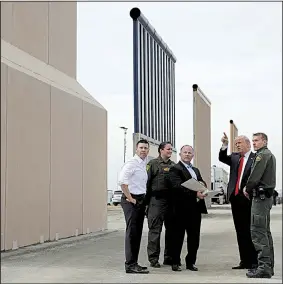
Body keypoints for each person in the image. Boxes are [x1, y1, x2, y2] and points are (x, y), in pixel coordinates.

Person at [218, 133, 257, 270]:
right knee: (240, 231)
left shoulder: (256, 158)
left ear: (248, 144)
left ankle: (253, 261)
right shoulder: (235, 158)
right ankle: (244, 261)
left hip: (248, 198)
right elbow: (222, 157)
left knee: (250, 230)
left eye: (240, 143)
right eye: (236, 143)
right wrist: (225, 145)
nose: (237, 145)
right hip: (235, 199)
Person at [168, 145, 207, 272]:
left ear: (193, 155)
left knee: (194, 237)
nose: (187, 154)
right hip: (180, 208)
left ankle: (191, 262)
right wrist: (195, 193)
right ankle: (175, 262)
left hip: (195, 208)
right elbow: (177, 186)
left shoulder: (195, 170)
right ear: (180, 154)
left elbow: (201, 182)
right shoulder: (175, 169)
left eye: (190, 152)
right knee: (177, 236)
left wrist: (204, 188)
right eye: (185, 152)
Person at [244, 133, 276, 279]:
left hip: (260, 198)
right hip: (265, 198)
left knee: (258, 232)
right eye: (253, 141)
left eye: (256, 140)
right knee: (265, 232)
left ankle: (263, 268)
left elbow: (255, 176)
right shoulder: (269, 155)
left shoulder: (262, 156)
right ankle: (268, 267)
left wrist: (247, 188)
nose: (254, 143)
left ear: (265, 141)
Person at [118, 139, 150, 274]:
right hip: (131, 200)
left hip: (140, 200)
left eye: (145, 148)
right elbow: (122, 182)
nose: (143, 150)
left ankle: (134, 263)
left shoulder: (143, 164)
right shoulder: (131, 163)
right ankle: (130, 265)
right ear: (136, 149)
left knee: (137, 233)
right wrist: (130, 198)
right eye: (141, 148)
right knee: (132, 232)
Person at [145, 142, 175, 268]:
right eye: (168, 149)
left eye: (171, 150)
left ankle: (168, 257)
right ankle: (153, 259)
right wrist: (145, 204)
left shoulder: (174, 166)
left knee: (172, 231)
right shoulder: (152, 164)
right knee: (155, 230)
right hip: (156, 202)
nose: (170, 151)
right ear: (161, 150)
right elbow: (145, 183)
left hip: (170, 202)